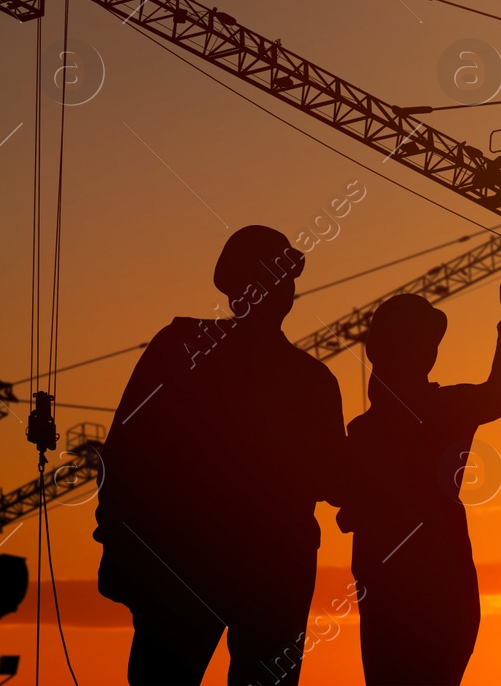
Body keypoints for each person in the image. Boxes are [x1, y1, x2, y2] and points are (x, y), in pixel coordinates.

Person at [94, 225, 346, 686]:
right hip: (267, 572)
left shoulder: (179, 348)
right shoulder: (311, 381)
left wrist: (115, 537)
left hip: (185, 564)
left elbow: (124, 449)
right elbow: (335, 481)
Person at [337, 245, 501, 685]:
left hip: (414, 595)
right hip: (433, 593)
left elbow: (336, 491)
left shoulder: (367, 432)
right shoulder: (442, 410)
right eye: (425, 344)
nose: (431, 354)